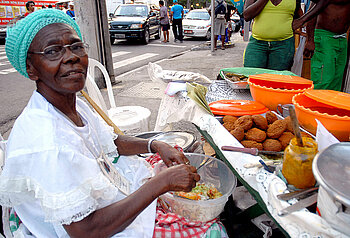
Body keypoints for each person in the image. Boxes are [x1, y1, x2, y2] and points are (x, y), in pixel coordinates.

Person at [0, 9, 218, 238]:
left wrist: (155, 145)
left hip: (107, 194)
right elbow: (86, 231)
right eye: (53, 51)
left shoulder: (72, 103)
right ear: (31, 68)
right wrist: (161, 184)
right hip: (93, 228)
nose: (71, 57)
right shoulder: (48, 142)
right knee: (211, 229)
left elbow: (109, 141)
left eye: (76, 46)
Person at [301, 0, 350, 91]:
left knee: (337, 80)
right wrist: (310, 40)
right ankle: (316, 104)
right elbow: (313, 13)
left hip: (342, 38)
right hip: (324, 37)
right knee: (323, 80)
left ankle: (329, 104)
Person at [243, 0, 303, 70]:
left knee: (278, 78)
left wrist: (302, 20)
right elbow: (247, 15)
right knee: (252, 75)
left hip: (284, 45)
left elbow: (317, 4)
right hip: (257, 44)